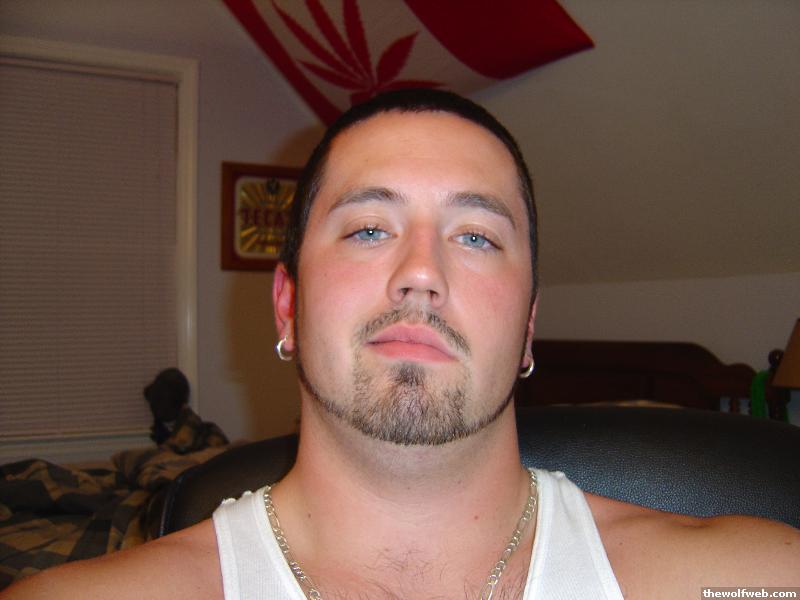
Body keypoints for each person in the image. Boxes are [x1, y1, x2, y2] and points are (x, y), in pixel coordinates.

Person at [5, 89, 798, 600]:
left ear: (527, 328)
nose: (421, 273)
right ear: (287, 306)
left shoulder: (755, 580)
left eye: (477, 236)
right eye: (369, 229)